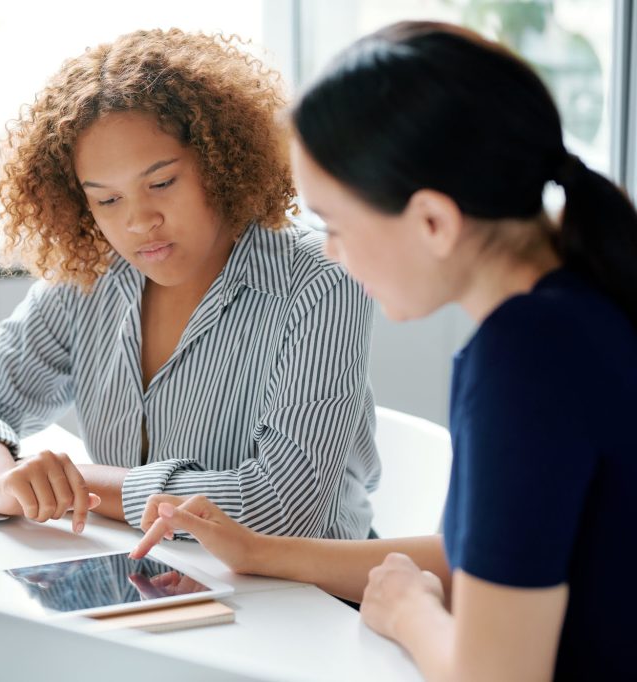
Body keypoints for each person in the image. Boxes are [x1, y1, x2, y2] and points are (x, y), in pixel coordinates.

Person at [131, 21, 637, 681]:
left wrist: (408, 612)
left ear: (433, 221)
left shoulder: (522, 361)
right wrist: (260, 552)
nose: (331, 252)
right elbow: (489, 562)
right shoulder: (583, 308)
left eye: (337, 226)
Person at [0, 28, 380, 540]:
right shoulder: (92, 274)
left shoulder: (319, 280)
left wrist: (82, 484)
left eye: (161, 183)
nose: (138, 222)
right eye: (107, 200)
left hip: (308, 602)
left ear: (221, 160)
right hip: (151, 577)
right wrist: (1, 481)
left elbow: (285, 510)